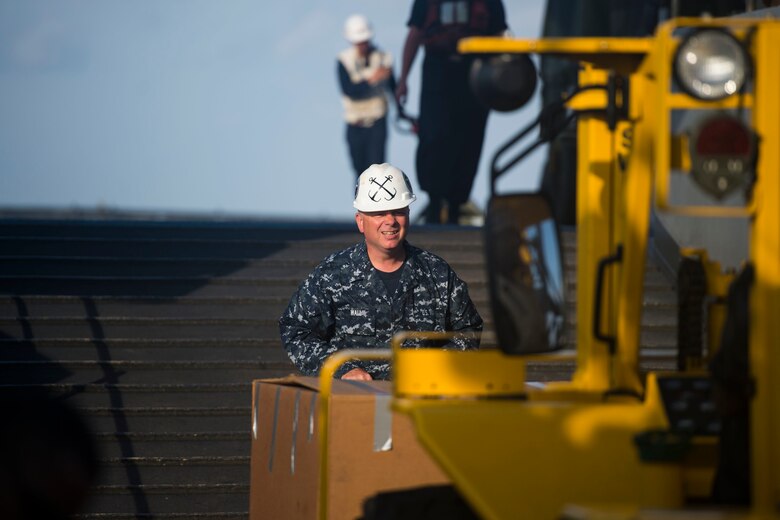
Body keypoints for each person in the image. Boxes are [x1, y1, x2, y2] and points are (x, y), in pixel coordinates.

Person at [279, 162, 483, 380]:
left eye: (397, 211)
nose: (390, 221)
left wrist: (435, 367)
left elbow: (468, 330)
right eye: (378, 213)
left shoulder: (437, 273)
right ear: (360, 222)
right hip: (355, 403)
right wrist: (342, 370)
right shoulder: (333, 275)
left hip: (420, 403)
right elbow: (295, 330)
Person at [395, 0, 508, 225]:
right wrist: (403, 79)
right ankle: (435, 201)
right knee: (434, 137)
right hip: (438, 74)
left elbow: (500, 36)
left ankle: (456, 205)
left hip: (476, 75)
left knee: (469, 141)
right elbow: (415, 34)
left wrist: (502, 80)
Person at [337, 15, 396, 177]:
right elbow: (349, 90)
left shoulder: (384, 58)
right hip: (355, 125)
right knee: (360, 174)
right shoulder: (344, 60)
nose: (362, 44)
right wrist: (372, 79)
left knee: (378, 172)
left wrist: (402, 113)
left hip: (377, 123)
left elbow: (394, 89)